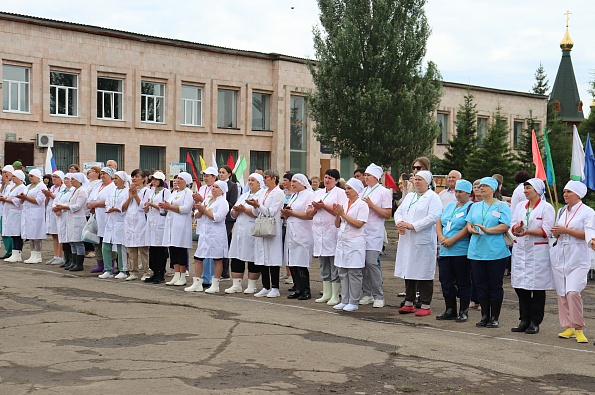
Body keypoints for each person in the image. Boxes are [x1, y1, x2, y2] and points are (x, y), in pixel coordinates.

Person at [550, 181, 594, 344]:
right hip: (561, 255)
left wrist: (566, 231)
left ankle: (579, 328)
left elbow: (588, 234)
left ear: (578, 194)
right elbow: (557, 231)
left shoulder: (588, 212)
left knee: (573, 292)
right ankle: (568, 326)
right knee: (562, 293)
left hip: (578, 257)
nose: (565, 194)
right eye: (564, 192)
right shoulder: (562, 211)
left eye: (569, 192)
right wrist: (557, 233)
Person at [509, 178, 555, 334]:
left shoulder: (546, 208)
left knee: (537, 288)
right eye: (525, 188)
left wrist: (528, 231)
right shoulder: (521, 206)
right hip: (521, 249)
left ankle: (535, 321)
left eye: (528, 188)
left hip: (538, 252)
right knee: (521, 287)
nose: (525, 191)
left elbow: (547, 231)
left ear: (537, 190)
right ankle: (524, 319)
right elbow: (513, 224)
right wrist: (518, 228)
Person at [466, 177, 512, 328]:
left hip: (495, 251)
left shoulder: (501, 206)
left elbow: (505, 226)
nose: (481, 188)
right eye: (480, 186)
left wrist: (487, 230)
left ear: (493, 188)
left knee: (495, 285)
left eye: (485, 186)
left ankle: (495, 317)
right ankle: (484, 315)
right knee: (480, 284)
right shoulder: (475, 206)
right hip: (477, 250)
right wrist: (471, 229)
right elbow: (469, 223)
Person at [395, 170, 442, 316]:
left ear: (427, 182)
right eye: (415, 179)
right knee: (408, 269)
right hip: (407, 239)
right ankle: (409, 302)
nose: (416, 182)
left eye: (420, 179)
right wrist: (400, 224)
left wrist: (413, 226)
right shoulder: (410, 196)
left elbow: (434, 216)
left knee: (424, 272)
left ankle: (426, 304)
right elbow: (399, 212)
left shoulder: (433, 197)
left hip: (422, 239)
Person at [307, 169, 347, 305]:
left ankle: (335, 294)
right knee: (324, 264)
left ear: (336, 180)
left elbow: (340, 212)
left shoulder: (340, 193)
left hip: (333, 232)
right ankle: (327, 292)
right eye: (326, 177)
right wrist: (316, 208)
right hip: (319, 233)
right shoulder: (318, 193)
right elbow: (309, 213)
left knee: (333, 264)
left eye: (330, 178)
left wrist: (324, 206)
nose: (327, 180)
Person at [435, 179, 473, 322]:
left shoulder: (471, 207)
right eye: (456, 191)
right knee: (445, 280)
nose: (457, 194)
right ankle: (450, 308)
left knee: (463, 281)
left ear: (468, 193)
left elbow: (467, 227)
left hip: (460, 250)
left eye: (460, 191)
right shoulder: (450, 206)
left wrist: (453, 240)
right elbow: (439, 221)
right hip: (445, 250)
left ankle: (463, 310)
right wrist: (441, 236)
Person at [246, 169, 285, 298]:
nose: (264, 179)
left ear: (274, 178)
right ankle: (265, 286)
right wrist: (254, 205)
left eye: (266, 177)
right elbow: (257, 212)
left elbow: (271, 211)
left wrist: (258, 206)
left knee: (273, 257)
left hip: (272, 226)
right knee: (262, 256)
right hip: (261, 225)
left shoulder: (278, 193)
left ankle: (275, 287)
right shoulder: (263, 192)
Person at [186, 180, 230, 293]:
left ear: (222, 190)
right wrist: (200, 210)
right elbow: (197, 215)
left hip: (216, 234)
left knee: (217, 259)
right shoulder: (207, 199)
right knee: (198, 258)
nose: (213, 188)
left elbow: (218, 217)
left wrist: (204, 210)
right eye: (213, 186)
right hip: (205, 233)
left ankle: (215, 284)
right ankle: (197, 283)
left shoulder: (223, 203)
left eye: (216, 187)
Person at [333, 178, 369, 311]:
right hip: (343, 242)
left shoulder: (362, 205)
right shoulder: (344, 203)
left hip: (355, 242)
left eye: (349, 189)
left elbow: (359, 224)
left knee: (354, 272)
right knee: (342, 271)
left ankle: (353, 301)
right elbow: (337, 224)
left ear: (357, 191)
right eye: (346, 188)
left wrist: (343, 215)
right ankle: (345, 299)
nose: (346, 191)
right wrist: (338, 215)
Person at [225, 173, 264, 294]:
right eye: (249, 180)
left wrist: (243, 210)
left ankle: (252, 285)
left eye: (253, 180)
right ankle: (236, 284)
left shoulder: (262, 195)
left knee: (252, 257)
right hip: (239, 229)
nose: (250, 182)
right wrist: (235, 212)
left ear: (259, 183)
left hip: (252, 229)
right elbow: (233, 211)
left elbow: (259, 212)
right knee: (237, 256)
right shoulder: (244, 195)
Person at [360, 164, 392, 308]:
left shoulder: (384, 192)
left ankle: (378, 295)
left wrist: (372, 206)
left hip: (374, 233)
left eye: (369, 175)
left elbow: (387, 214)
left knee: (372, 262)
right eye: (365, 175)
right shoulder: (363, 191)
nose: (366, 178)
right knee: (362, 264)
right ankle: (367, 294)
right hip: (361, 232)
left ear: (376, 177)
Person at [281, 173, 315, 300]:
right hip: (292, 230)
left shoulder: (310, 195)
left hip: (303, 232)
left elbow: (308, 215)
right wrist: (286, 213)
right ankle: (298, 288)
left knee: (301, 262)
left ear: (303, 182)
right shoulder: (294, 195)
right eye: (292, 181)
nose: (293, 183)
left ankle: (306, 290)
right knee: (293, 262)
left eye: (295, 181)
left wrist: (292, 213)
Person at [161, 172, 194, 286]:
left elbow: (185, 208)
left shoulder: (188, 193)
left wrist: (170, 207)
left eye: (181, 179)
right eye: (177, 178)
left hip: (181, 224)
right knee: (173, 249)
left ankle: (183, 275)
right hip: (171, 223)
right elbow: (169, 204)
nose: (178, 180)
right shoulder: (175, 192)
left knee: (180, 250)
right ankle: (176, 274)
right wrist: (165, 206)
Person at [54, 173, 88, 271]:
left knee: (78, 242)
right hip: (71, 218)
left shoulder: (82, 191)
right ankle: (73, 262)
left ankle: (79, 264)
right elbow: (70, 203)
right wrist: (61, 208)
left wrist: (63, 207)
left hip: (78, 218)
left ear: (79, 180)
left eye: (73, 179)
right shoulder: (75, 190)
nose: (71, 181)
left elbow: (78, 206)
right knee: (72, 241)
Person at [99, 171, 129, 279]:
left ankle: (123, 269)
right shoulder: (111, 191)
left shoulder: (127, 191)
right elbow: (107, 203)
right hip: (110, 221)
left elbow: (127, 205)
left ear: (123, 180)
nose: (114, 180)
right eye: (114, 178)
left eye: (116, 178)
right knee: (106, 246)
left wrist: (117, 209)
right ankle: (108, 269)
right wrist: (109, 209)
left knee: (121, 247)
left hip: (121, 221)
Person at [87, 167, 117, 274]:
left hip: (107, 217)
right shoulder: (98, 186)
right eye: (102, 174)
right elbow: (91, 197)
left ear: (111, 176)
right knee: (97, 241)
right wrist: (91, 205)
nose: (103, 176)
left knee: (108, 242)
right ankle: (100, 264)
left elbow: (111, 200)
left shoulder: (113, 187)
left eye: (105, 174)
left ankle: (110, 264)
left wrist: (96, 204)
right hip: (96, 216)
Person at [192, 167, 218, 288]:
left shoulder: (217, 189)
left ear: (214, 177)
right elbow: (200, 205)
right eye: (204, 175)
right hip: (202, 221)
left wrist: (201, 200)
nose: (205, 178)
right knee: (202, 250)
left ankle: (210, 277)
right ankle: (203, 276)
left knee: (210, 251)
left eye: (208, 176)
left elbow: (214, 203)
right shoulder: (202, 188)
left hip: (211, 223)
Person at [143, 171, 171, 284]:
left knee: (160, 248)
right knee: (152, 248)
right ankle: (154, 271)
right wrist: (146, 206)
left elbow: (164, 208)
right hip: (151, 221)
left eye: (156, 179)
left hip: (160, 221)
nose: (153, 181)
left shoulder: (166, 192)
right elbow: (146, 207)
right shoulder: (151, 191)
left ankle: (161, 273)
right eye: (152, 179)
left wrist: (151, 205)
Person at [123, 169, 150, 281]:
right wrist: (130, 196)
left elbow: (144, 207)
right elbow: (123, 208)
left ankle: (146, 271)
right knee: (131, 248)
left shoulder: (146, 191)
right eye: (133, 176)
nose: (134, 178)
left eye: (137, 176)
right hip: (130, 221)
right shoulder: (127, 191)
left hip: (141, 222)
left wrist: (135, 195)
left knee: (143, 249)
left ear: (143, 179)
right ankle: (133, 271)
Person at [18, 169, 47, 264]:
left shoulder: (42, 186)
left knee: (36, 234)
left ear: (38, 176)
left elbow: (38, 201)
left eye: (32, 176)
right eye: (29, 176)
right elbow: (25, 197)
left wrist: (25, 197)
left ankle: (38, 255)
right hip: (27, 212)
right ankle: (32, 254)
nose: (30, 178)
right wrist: (22, 198)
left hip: (36, 212)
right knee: (30, 234)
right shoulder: (28, 186)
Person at [1, 170, 27, 262]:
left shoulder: (22, 187)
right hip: (10, 212)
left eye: (14, 177)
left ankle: (18, 253)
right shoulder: (13, 187)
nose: (12, 178)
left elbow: (18, 201)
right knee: (13, 233)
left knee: (17, 234)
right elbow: (7, 195)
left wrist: (6, 200)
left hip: (17, 212)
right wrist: (4, 199)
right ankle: (14, 252)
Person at [218, 165, 239, 280]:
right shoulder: (217, 185)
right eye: (220, 172)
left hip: (227, 219)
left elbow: (232, 202)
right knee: (221, 243)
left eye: (223, 172)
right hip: (217, 218)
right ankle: (220, 270)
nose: (221, 174)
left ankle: (224, 271)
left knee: (223, 243)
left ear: (229, 174)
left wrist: (221, 207)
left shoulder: (232, 186)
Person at [42, 171, 66, 265]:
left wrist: (49, 194)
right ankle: (55, 255)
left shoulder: (63, 188)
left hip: (58, 213)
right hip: (51, 212)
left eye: (56, 177)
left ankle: (60, 255)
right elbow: (49, 200)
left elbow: (59, 198)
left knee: (59, 235)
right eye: (53, 177)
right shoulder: (52, 187)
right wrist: (46, 195)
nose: (54, 179)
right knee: (54, 235)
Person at [0, 165, 15, 260]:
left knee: (11, 232)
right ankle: (8, 251)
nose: (4, 175)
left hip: (12, 211)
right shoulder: (4, 184)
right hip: (3, 211)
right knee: (4, 231)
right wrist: (3, 184)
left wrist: (7, 183)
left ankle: (13, 251)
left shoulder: (14, 184)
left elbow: (11, 195)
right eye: (3, 172)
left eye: (6, 172)